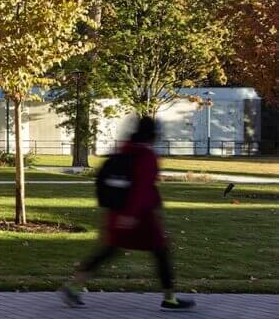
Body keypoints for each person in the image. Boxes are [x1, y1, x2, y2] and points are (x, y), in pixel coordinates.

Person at [60, 116, 194, 311]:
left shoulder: (124, 149)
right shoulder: (147, 155)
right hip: (140, 216)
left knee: (109, 250)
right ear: (153, 135)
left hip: (117, 212)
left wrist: (123, 214)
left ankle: (73, 286)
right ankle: (170, 298)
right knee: (161, 251)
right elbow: (141, 188)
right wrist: (131, 214)